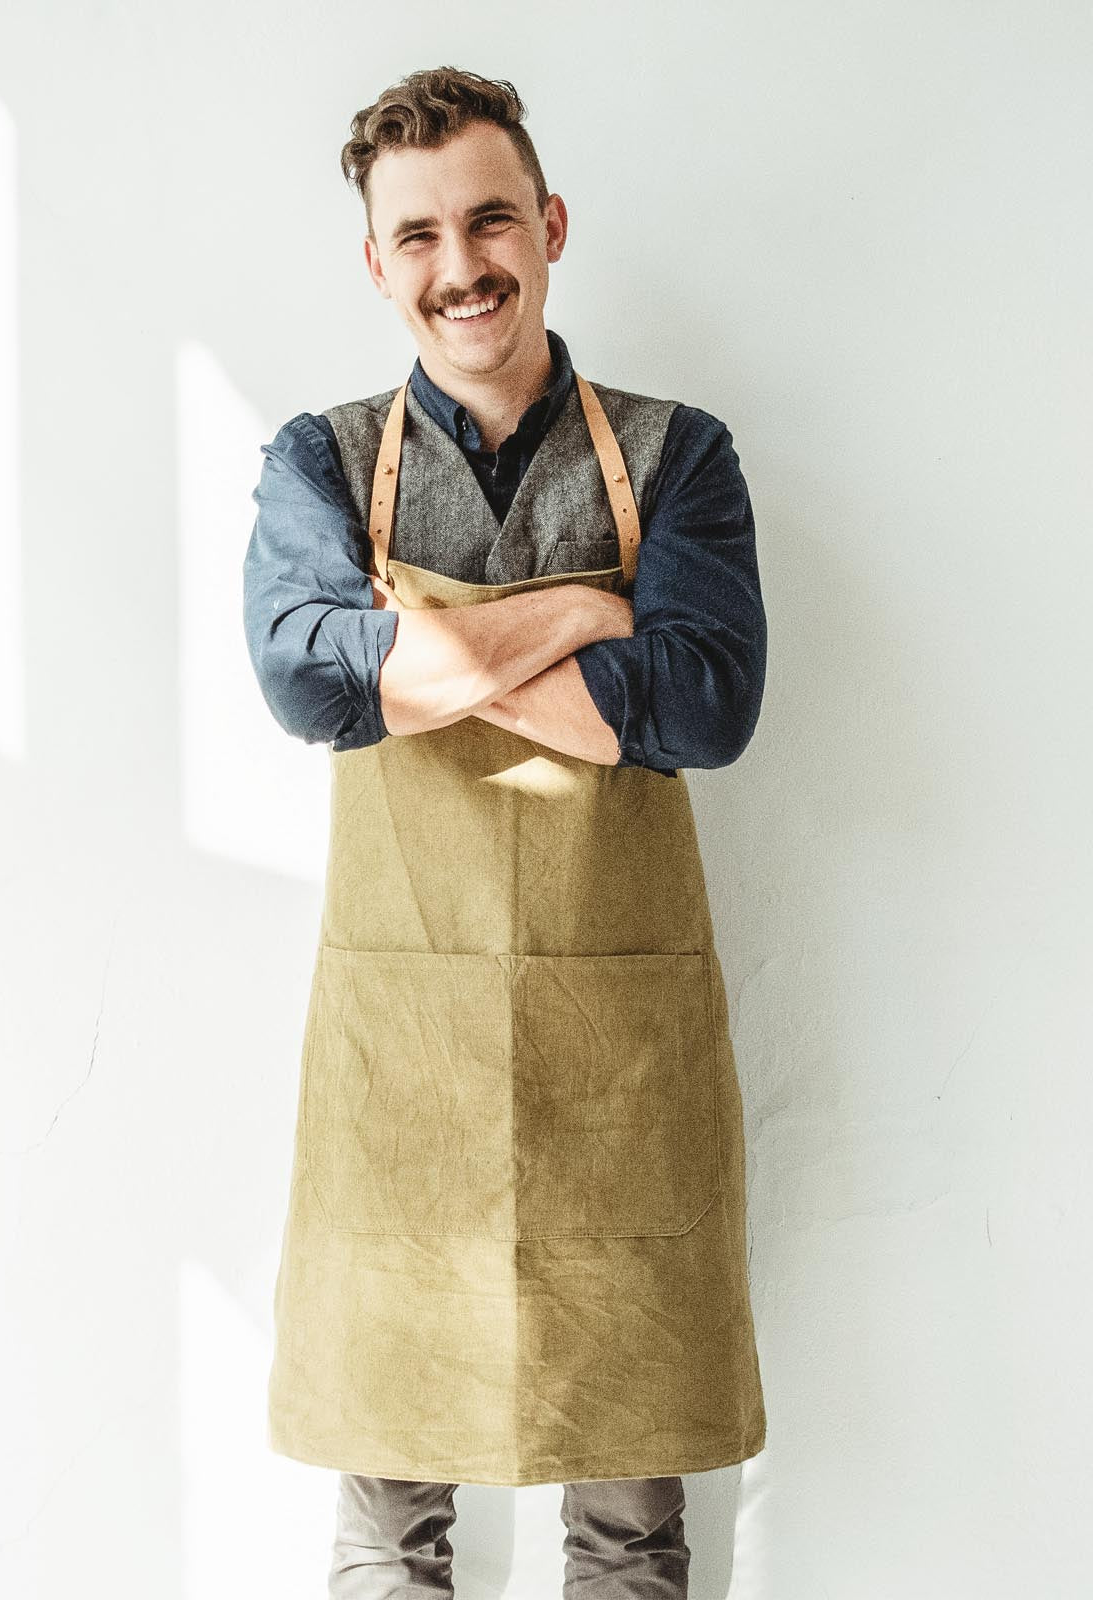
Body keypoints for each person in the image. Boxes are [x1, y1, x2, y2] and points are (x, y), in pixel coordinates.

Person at [242, 64, 768, 1600]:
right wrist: (592, 611)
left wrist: (427, 657)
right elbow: (306, 677)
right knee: (390, 1529)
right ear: (377, 262)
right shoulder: (320, 460)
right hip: (400, 1068)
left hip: (624, 1058)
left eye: (487, 220)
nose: (459, 265)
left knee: (630, 1532)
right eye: (417, 235)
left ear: (547, 226)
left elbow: (705, 704)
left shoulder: (680, 454)